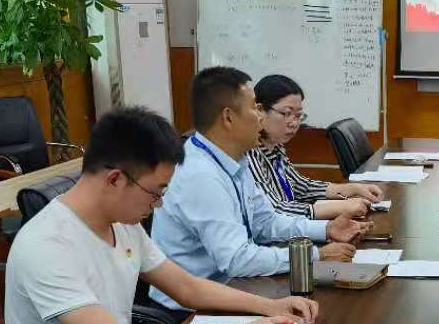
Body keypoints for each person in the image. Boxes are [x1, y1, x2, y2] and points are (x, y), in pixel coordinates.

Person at [4, 106, 320, 324]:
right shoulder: (48, 243)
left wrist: (269, 306)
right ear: (115, 180)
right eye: (156, 192)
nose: (158, 205)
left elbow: (186, 287)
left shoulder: (122, 223)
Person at [151, 66, 369, 310]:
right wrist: (315, 255)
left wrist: (326, 229)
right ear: (228, 118)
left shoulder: (234, 158)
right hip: (192, 311)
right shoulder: (201, 175)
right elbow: (237, 260)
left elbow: (266, 222)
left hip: (235, 288)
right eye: (254, 107)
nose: (260, 116)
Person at [249, 74, 384, 221]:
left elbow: (301, 187)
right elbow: (273, 211)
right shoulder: (249, 153)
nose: (294, 123)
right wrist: (338, 208)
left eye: (298, 116)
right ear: (259, 110)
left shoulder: (275, 147)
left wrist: (351, 189)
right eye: (287, 113)